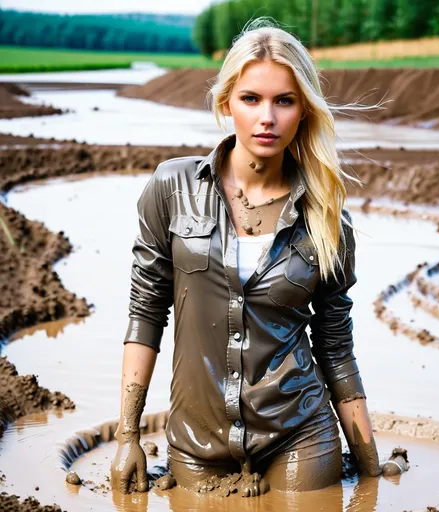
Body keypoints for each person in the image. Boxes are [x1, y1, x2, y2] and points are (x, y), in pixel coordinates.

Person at [111, 17, 382, 497]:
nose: (267, 118)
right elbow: (146, 311)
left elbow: (336, 346)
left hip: (299, 433)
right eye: (251, 99)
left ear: (304, 110)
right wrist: (127, 436)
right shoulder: (172, 189)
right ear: (226, 102)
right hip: (195, 442)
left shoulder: (329, 221)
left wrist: (369, 466)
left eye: (285, 100)